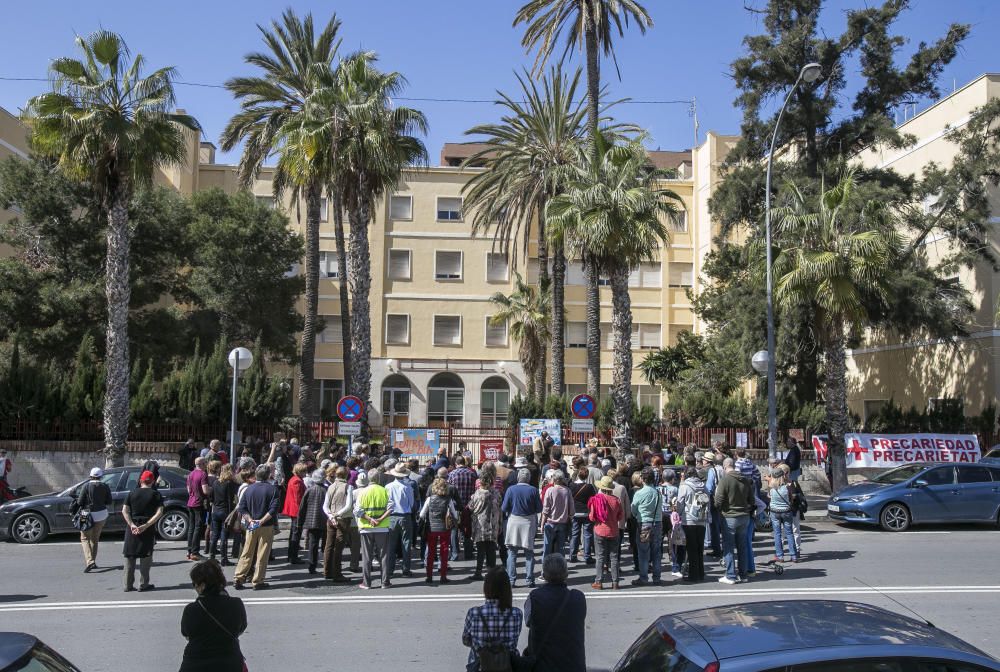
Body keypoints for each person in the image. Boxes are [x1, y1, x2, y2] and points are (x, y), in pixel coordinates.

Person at [179, 559, 247, 672]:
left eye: (194, 583)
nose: (194, 587)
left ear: (202, 585)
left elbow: (186, 635)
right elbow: (240, 629)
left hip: (195, 664)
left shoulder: (191, 609)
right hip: (230, 664)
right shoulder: (236, 604)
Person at [523, 554, 586, 672]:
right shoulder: (578, 597)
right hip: (573, 665)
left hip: (543, 665)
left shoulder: (535, 597)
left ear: (544, 575)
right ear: (566, 574)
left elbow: (528, 621)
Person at [462, 567, 523, 672]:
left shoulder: (474, 613)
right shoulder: (516, 614)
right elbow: (514, 641)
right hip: (507, 666)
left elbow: (466, 640)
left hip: (481, 666)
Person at [234, 464, 279, 590]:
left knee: (247, 551)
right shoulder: (273, 489)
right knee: (262, 553)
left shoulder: (249, 489)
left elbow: (242, 507)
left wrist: (251, 520)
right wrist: (261, 521)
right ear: (268, 475)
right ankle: (258, 580)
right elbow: (273, 509)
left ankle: (239, 577)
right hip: (266, 525)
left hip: (251, 524)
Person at [122, 470, 165, 592]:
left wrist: (131, 524)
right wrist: (146, 525)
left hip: (132, 528)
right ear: (152, 481)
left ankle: (127, 585)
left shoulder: (132, 493)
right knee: (146, 557)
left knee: (130, 555)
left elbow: (124, 510)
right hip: (147, 528)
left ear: (141, 480)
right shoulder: (155, 494)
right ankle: (143, 584)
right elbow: (159, 512)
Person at [715, 458, 754, 585]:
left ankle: (731, 575)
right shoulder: (745, 479)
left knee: (728, 547)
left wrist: (720, 508)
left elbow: (718, 501)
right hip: (744, 516)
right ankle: (743, 574)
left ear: (725, 467)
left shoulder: (725, 480)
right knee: (742, 546)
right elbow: (752, 500)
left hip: (730, 516)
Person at [502, 468, 542, 588]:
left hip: (514, 521)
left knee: (512, 553)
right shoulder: (533, 490)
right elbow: (539, 508)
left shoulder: (511, 489)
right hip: (528, 522)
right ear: (529, 478)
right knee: (529, 553)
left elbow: (504, 508)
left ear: (519, 477)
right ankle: (530, 580)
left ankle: (511, 580)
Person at [355, 469, 392, 589]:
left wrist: (369, 519)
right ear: (379, 478)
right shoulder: (384, 490)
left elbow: (358, 511)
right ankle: (385, 582)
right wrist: (380, 519)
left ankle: (367, 583)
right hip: (382, 528)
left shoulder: (363, 492)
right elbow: (391, 507)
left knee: (367, 556)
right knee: (384, 556)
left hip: (366, 528)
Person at [419, 476, 459, 584]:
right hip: (444, 528)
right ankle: (443, 576)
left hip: (431, 528)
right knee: (444, 551)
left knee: (431, 552)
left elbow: (422, 514)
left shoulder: (429, 499)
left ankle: (429, 576)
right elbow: (454, 514)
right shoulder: (448, 499)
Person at [322, 466, 358, 582]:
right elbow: (348, 506)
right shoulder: (349, 487)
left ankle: (327, 571)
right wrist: (337, 514)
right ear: (347, 475)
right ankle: (337, 574)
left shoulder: (331, 486)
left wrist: (331, 515)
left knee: (329, 545)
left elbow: (325, 506)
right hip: (342, 519)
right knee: (339, 547)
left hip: (331, 518)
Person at [589, 476, 624, 590]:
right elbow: (620, 516)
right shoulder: (616, 500)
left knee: (600, 557)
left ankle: (599, 582)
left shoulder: (597, 499)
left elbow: (592, 517)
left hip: (600, 530)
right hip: (614, 530)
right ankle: (615, 582)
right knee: (614, 557)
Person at [631, 467, 664, 586]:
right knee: (656, 552)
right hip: (657, 523)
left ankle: (644, 577)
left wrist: (637, 516)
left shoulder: (639, 493)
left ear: (642, 479)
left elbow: (633, 510)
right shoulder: (658, 493)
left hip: (644, 523)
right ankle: (657, 577)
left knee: (643, 552)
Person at [76, 467, 112, 572]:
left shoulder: (86, 486)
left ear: (90, 476)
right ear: (101, 476)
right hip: (101, 514)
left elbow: (79, 502)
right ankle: (93, 562)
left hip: (85, 513)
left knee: (84, 538)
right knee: (95, 539)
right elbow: (109, 501)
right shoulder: (105, 486)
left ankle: (90, 561)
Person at [676, 467, 708, 582]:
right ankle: (701, 572)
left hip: (689, 520)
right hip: (702, 519)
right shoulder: (703, 486)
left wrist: (678, 514)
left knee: (691, 549)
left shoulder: (684, 486)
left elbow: (680, 503)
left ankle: (693, 575)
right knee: (700, 548)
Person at [468, 472, 501, 581]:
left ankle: (478, 572)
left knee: (480, 550)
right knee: (491, 550)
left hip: (480, 525)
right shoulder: (496, 493)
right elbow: (500, 506)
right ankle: (492, 572)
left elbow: (471, 507)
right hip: (493, 524)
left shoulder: (477, 493)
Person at [386, 463, 415, 579]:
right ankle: (406, 569)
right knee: (406, 544)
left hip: (392, 516)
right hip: (405, 516)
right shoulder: (408, 487)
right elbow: (412, 504)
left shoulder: (388, 487)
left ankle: (390, 570)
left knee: (391, 545)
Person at [296, 469, 329, 574]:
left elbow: (302, 508)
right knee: (325, 544)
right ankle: (326, 565)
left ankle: (312, 565)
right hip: (324, 520)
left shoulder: (309, 490)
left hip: (311, 521)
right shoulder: (326, 490)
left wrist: (299, 522)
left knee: (313, 544)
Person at [448, 455, 477, 561]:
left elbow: (449, 490)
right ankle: (468, 553)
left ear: (456, 463)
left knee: (454, 530)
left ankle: (455, 554)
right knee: (467, 530)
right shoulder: (472, 473)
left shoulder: (452, 474)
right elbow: (476, 489)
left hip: (455, 506)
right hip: (469, 505)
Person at [209, 464, 238, 566]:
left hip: (216, 510)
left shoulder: (216, 482)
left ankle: (211, 556)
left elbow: (211, 497)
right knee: (224, 536)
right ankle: (223, 558)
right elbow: (231, 499)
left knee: (215, 535)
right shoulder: (230, 483)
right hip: (225, 511)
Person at [567, 466, 596, 565]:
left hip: (575, 513)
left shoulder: (571, 486)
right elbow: (593, 500)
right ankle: (587, 556)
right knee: (587, 534)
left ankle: (572, 555)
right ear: (587, 475)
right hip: (586, 513)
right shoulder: (589, 487)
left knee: (575, 534)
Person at [541, 470, 572, 561]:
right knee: (561, 548)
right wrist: (569, 517)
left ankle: (545, 571)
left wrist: (542, 524)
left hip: (550, 522)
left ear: (553, 479)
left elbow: (546, 509)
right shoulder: (567, 491)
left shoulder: (550, 490)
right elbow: (572, 510)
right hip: (563, 523)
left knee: (547, 548)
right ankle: (561, 570)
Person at [282, 462, 308, 565]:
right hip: (296, 510)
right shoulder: (297, 481)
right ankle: (293, 556)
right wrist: (302, 512)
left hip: (293, 510)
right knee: (296, 533)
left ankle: (291, 555)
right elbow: (298, 499)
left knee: (294, 532)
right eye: (304, 471)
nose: (306, 473)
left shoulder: (294, 479)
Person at [186, 457, 211, 561]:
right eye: (205, 463)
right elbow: (205, 490)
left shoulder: (190, 474)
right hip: (198, 503)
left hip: (190, 502)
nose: (206, 464)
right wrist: (212, 489)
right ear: (202, 464)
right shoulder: (203, 474)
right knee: (198, 527)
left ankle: (189, 551)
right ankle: (195, 552)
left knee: (191, 527)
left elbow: (188, 489)